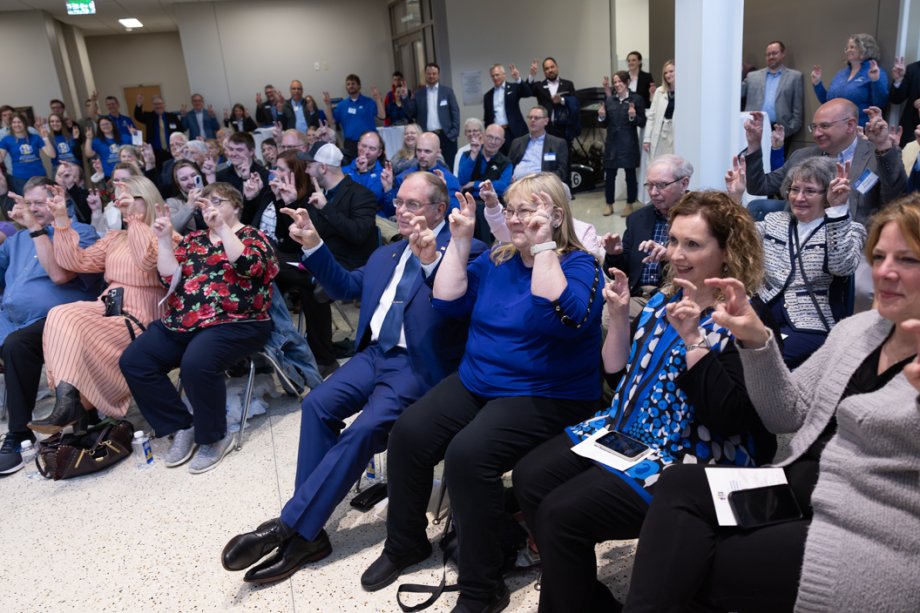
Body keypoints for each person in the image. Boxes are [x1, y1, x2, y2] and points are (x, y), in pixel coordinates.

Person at [622, 196, 920, 613]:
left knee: (697, 564)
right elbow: (786, 414)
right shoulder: (858, 330)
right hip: (795, 488)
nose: (884, 271)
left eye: (906, 260)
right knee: (677, 485)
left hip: (864, 525)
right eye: (881, 256)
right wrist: (757, 342)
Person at [514, 190, 775, 613]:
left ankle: (572, 601)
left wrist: (694, 339)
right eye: (673, 241)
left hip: (688, 452)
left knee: (561, 516)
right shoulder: (662, 300)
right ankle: (582, 594)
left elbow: (726, 419)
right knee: (529, 476)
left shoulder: (741, 318)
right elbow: (618, 377)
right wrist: (617, 318)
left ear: (728, 251)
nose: (676, 254)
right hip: (627, 427)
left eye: (693, 244)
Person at [221, 172, 486, 584]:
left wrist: (433, 257)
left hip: (417, 364)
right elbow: (345, 286)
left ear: (438, 209)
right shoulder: (387, 254)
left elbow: (461, 306)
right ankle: (309, 530)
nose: (400, 210)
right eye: (398, 202)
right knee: (316, 404)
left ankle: (292, 526)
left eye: (413, 204)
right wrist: (313, 244)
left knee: (364, 430)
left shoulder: (466, 249)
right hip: (374, 354)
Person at [361, 172, 604, 612]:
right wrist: (457, 241)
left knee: (468, 457)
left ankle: (482, 585)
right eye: (511, 209)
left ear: (555, 215)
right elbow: (449, 300)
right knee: (410, 432)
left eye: (527, 210)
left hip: (547, 392)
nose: (514, 219)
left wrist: (543, 245)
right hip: (481, 380)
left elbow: (564, 319)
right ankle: (405, 543)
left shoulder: (579, 265)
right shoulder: (498, 258)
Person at [119, 182, 279, 474]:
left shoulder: (253, 236)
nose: (210, 207)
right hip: (186, 320)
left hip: (238, 322)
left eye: (217, 200)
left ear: (236, 205)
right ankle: (181, 425)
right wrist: (165, 241)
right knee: (135, 360)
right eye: (205, 202)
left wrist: (223, 230)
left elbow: (250, 267)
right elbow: (169, 279)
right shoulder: (193, 240)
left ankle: (215, 438)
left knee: (197, 361)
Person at [28, 176, 168, 432]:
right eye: (120, 201)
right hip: (108, 307)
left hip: (141, 316)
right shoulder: (116, 239)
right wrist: (60, 218)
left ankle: (81, 407)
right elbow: (76, 262)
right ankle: (67, 400)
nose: (123, 206)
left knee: (80, 336)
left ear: (145, 199)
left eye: (130, 200)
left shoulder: (166, 234)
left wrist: (136, 221)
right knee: (59, 315)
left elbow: (147, 259)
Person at [727, 155, 867, 367]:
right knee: (724, 352)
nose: (799, 197)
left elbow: (842, 266)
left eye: (809, 191)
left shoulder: (849, 229)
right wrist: (735, 198)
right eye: (794, 189)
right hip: (761, 311)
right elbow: (738, 239)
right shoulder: (775, 221)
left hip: (809, 323)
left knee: (763, 362)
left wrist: (838, 210)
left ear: (828, 194)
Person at [0, 177, 99, 474]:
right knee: (14, 340)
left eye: (39, 203)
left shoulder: (78, 232)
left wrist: (35, 228)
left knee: (17, 345)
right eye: (27, 204)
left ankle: (17, 435)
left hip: (59, 321)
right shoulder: (15, 241)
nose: (32, 210)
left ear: (58, 200)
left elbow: (63, 275)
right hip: (11, 321)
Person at [743, 100, 906, 227]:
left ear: (850, 125)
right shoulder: (802, 156)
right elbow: (759, 186)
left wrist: (884, 146)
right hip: (801, 242)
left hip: (855, 247)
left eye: (824, 126)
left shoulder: (878, 155)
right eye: (814, 127)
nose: (816, 133)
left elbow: (895, 200)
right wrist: (754, 145)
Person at [296, 142, 378, 376]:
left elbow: (358, 235)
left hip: (351, 263)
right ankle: (296, 349)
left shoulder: (362, 195)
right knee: (277, 273)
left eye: (310, 165)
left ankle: (324, 357)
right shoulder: (316, 195)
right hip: (322, 258)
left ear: (322, 168)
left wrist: (326, 208)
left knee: (309, 286)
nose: (307, 170)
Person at [603, 154, 693, 316]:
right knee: (607, 315)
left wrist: (670, 256)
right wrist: (614, 254)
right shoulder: (637, 219)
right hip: (638, 297)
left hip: (679, 297)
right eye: (649, 185)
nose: (653, 192)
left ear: (684, 183)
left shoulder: (699, 217)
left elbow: (710, 263)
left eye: (661, 185)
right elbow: (621, 270)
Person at [811, 33, 889, 127]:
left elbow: (881, 103)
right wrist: (817, 84)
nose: (848, 50)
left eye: (852, 47)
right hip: (835, 129)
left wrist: (876, 81)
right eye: (847, 48)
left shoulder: (875, 72)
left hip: (861, 129)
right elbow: (828, 103)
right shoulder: (840, 74)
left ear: (865, 49)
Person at [599, 71, 647, 217]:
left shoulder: (636, 99)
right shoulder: (609, 101)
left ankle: (629, 204)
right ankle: (609, 204)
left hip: (628, 143)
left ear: (627, 83)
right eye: (615, 82)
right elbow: (604, 124)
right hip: (612, 144)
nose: (617, 84)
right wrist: (601, 117)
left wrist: (633, 117)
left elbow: (642, 121)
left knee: (630, 175)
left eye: (620, 81)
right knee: (610, 175)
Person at [742, 41, 805, 144]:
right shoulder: (752, 76)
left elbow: (797, 108)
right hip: (754, 127)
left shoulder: (795, 77)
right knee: (753, 159)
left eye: (774, 53)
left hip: (780, 129)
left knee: (777, 159)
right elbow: (737, 93)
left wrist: (790, 129)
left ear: (783, 54)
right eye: (768, 54)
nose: (771, 56)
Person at [403, 63, 461, 168]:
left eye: (434, 73)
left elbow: (455, 112)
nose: (431, 76)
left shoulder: (447, 92)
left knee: (449, 166)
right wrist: (404, 98)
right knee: (428, 167)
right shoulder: (418, 93)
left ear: (438, 75)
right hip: (426, 136)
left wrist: (453, 134)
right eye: (429, 73)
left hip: (446, 136)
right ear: (425, 75)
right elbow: (410, 113)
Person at [322, 75, 384, 160]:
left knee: (373, 168)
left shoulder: (369, 102)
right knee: (352, 169)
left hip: (369, 143)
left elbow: (382, 116)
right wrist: (328, 105)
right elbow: (331, 121)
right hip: (350, 144)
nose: (351, 86)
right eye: (348, 84)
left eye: (353, 83)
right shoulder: (342, 105)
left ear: (359, 86)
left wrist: (378, 100)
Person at [527, 57, 581, 147]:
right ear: (544, 72)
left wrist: (562, 100)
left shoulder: (568, 84)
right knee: (548, 157)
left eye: (552, 67)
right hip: (545, 130)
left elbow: (575, 103)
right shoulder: (539, 86)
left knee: (564, 158)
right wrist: (531, 75)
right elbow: (526, 91)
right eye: (547, 69)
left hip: (564, 129)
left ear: (557, 68)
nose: (550, 70)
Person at [509, 106, 569, 184]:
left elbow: (562, 171)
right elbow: (508, 166)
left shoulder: (558, 143)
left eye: (536, 118)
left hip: (542, 184)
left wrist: (544, 181)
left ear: (546, 121)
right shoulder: (517, 142)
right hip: (517, 183)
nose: (532, 120)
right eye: (530, 117)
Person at [0, 113, 54, 193]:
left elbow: (52, 154)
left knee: (45, 201)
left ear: (25, 123)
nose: (16, 125)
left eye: (19, 122)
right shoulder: (6, 140)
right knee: (25, 202)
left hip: (39, 175)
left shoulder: (35, 137)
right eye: (14, 122)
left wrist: (45, 137)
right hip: (20, 178)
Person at [483, 63, 533, 151]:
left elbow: (528, 93)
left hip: (515, 130)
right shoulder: (488, 95)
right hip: (497, 133)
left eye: (497, 75)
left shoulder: (513, 87)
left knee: (519, 157)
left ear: (504, 75)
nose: (495, 78)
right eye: (493, 76)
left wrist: (518, 79)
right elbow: (487, 118)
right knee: (501, 160)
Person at [134, 93, 182, 168]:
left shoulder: (172, 116)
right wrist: (139, 103)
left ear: (164, 104)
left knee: (173, 169)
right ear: (153, 106)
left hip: (171, 150)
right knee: (158, 172)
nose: (158, 106)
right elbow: (137, 115)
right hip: (155, 152)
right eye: (155, 104)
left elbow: (180, 130)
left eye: (160, 103)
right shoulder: (149, 116)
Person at [643, 60, 675, 162]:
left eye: (671, 71)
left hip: (675, 134)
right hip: (660, 135)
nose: (668, 75)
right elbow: (651, 116)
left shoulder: (686, 91)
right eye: (665, 73)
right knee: (658, 165)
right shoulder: (659, 91)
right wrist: (647, 139)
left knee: (674, 166)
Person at [166, 160, 208, 234]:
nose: (191, 181)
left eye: (193, 175)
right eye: (184, 179)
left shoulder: (211, 192)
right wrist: (190, 205)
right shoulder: (172, 202)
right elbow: (173, 230)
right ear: (178, 183)